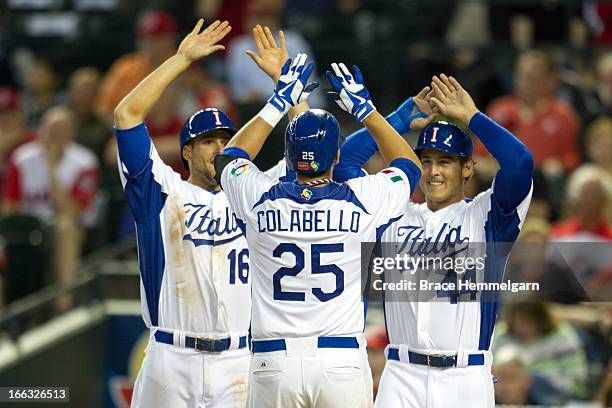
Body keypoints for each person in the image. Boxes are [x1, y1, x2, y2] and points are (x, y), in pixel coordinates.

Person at [112, 20, 310, 407]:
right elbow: (126, 115)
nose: (218, 148)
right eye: (207, 142)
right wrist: (181, 58)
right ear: (186, 152)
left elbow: (309, 150)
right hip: (170, 355)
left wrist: (291, 86)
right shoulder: (162, 191)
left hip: (238, 359)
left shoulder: (253, 193)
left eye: (224, 140)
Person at [215, 55, 423, 407]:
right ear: (337, 156)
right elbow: (408, 166)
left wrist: (279, 101)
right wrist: (366, 110)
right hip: (339, 358)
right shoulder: (363, 198)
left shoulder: (259, 196)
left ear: (289, 155)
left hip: (272, 359)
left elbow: (229, 156)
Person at [369, 74, 534, 407]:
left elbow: (520, 163)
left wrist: (473, 118)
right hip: (401, 375)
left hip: (465, 377)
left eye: (444, 161)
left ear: (468, 168)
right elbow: (343, 164)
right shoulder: (394, 213)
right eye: (426, 161)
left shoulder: (488, 216)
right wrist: (396, 122)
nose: (433, 172)